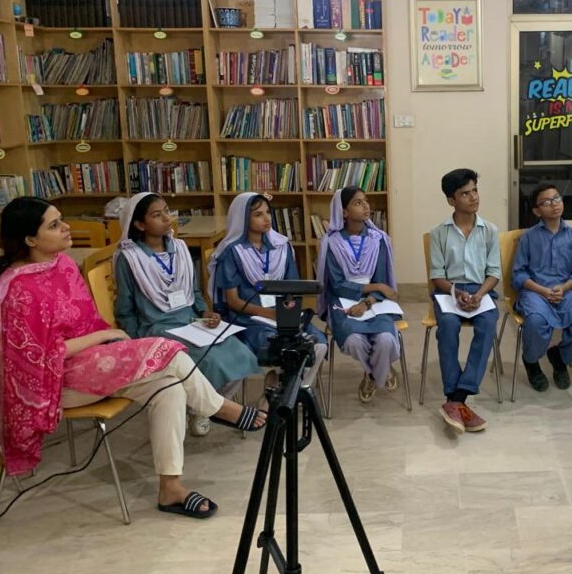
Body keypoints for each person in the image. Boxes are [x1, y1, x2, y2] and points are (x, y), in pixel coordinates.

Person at [0, 197, 266, 520]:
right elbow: (40, 357)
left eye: (61, 219)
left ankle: (170, 488)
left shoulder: (62, 265)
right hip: (55, 381)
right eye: (54, 225)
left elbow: (85, 319)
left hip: (91, 363)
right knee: (164, 350)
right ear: (29, 240)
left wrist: (103, 341)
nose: (66, 228)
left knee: (171, 386)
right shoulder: (19, 289)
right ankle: (220, 408)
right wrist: (104, 337)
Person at [113, 192, 262, 436]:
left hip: (191, 321)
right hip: (158, 327)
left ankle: (202, 407)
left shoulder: (181, 249)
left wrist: (205, 312)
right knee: (210, 359)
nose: (166, 218)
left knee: (239, 350)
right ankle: (206, 406)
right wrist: (135, 343)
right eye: (156, 215)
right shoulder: (130, 259)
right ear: (140, 224)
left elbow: (193, 291)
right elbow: (126, 308)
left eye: (166, 211)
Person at [208, 192, 327, 359]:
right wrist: (269, 314)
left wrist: (287, 313)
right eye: (258, 214)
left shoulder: (282, 246)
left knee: (318, 343)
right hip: (250, 318)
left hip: (284, 315)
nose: (267, 218)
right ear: (242, 219)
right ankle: (278, 379)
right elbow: (233, 301)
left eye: (268, 212)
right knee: (280, 347)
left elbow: (293, 287)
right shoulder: (232, 252)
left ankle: (296, 384)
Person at [428, 168, 500, 434]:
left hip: (482, 290)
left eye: (475, 191)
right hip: (450, 291)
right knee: (447, 325)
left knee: (488, 323)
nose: (473, 197)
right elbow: (437, 275)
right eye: (465, 193)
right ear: (451, 201)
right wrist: (458, 293)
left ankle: (457, 397)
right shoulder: (439, 233)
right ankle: (456, 397)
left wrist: (479, 295)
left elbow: (494, 272)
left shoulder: (490, 230)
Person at [316, 187, 401, 403]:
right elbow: (337, 285)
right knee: (354, 341)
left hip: (376, 302)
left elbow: (382, 280)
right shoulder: (332, 243)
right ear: (343, 212)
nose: (366, 207)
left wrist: (368, 301)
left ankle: (371, 374)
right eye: (358, 203)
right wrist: (377, 288)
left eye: (366, 201)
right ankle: (380, 370)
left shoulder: (378, 239)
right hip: (341, 302)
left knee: (385, 340)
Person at [511, 183, 572, 391]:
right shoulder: (528, 237)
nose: (555, 204)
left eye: (557, 198)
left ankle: (559, 357)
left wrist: (563, 287)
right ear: (536, 210)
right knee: (535, 322)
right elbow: (519, 274)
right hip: (535, 292)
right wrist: (543, 291)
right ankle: (531, 362)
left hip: (565, 292)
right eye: (547, 202)